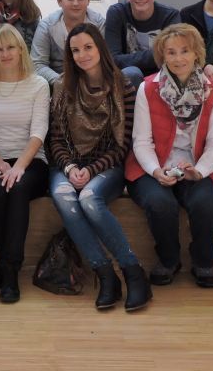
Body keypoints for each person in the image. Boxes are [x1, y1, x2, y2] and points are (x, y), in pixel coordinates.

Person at [48, 24, 151, 312]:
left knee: (90, 199)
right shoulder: (62, 86)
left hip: (108, 166)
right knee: (65, 197)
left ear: (100, 48)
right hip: (67, 164)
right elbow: (55, 139)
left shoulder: (123, 86)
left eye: (88, 47)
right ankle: (106, 275)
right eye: (75, 50)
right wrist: (70, 167)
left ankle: (133, 272)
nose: (82, 55)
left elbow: (123, 145)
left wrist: (92, 170)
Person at [125, 24, 213, 289]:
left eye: (185, 51)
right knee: (160, 203)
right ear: (162, 56)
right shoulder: (147, 88)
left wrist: (199, 170)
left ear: (196, 54)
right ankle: (168, 260)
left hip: (196, 164)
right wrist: (156, 170)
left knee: (206, 203)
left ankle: (203, 261)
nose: (178, 58)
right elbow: (141, 141)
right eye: (171, 52)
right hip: (153, 164)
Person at [0, 25, 49, 304]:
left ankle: (10, 270)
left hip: (32, 160)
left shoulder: (38, 84)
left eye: (10, 47)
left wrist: (19, 167)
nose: (5, 54)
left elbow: (38, 132)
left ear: (21, 50)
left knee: (17, 187)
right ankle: (6, 264)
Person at [105, 0, 181, 92]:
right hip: (130, 76)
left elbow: (172, 55)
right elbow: (112, 59)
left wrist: (128, 58)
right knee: (131, 73)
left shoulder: (170, 16)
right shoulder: (116, 13)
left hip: (162, 73)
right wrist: (157, 54)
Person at [31, 0, 105, 85]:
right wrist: (63, 82)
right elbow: (37, 64)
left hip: (92, 82)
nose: (76, 3)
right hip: (58, 84)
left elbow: (106, 60)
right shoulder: (46, 26)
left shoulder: (99, 24)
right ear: (59, 1)